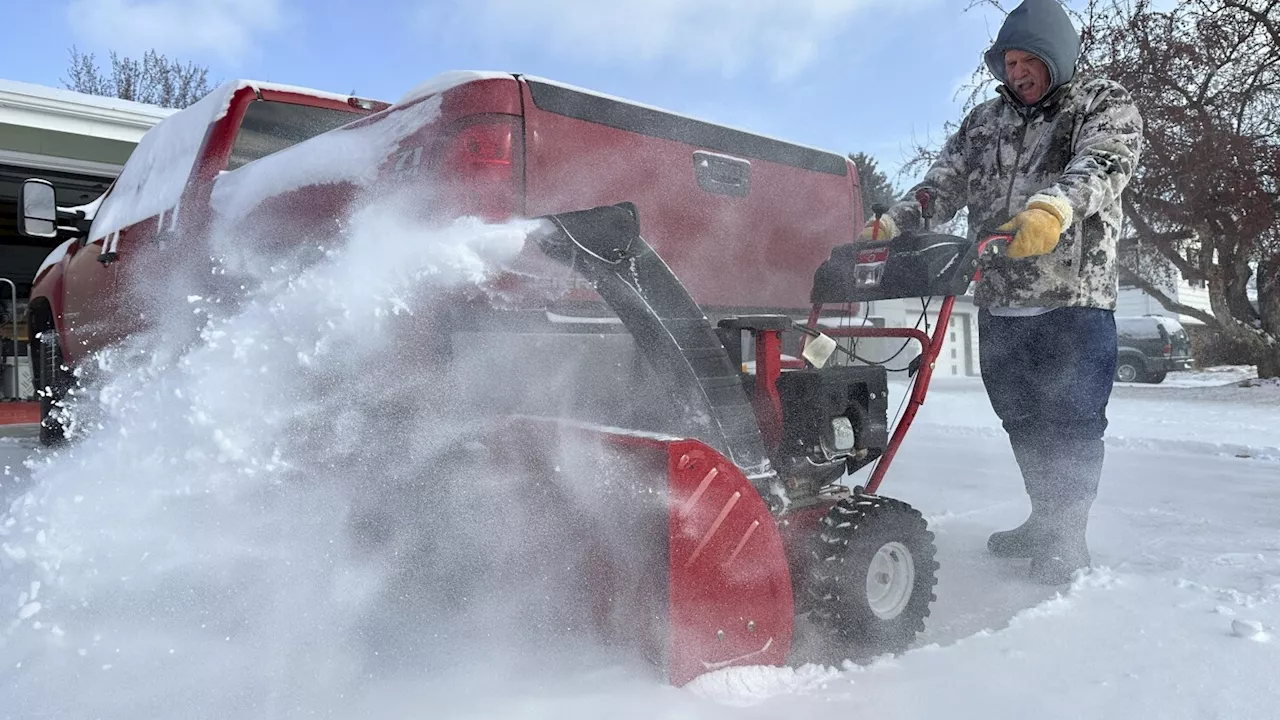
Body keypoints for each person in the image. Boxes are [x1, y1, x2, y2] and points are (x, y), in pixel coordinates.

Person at [862, 0, 1143, 584]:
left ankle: (1068, 534)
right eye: (1008, 62)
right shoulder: (983, 122)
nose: (1016, 73)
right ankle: (1044, 518)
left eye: (1027, 60)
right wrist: (894, 222)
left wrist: (1051, 209)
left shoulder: (1100, 102)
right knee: (1022, 418)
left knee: (1070, 422)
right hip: (999, 299)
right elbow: (941, 185)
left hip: (1073, 299)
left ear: (1055, 56)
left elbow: (1104, 163)